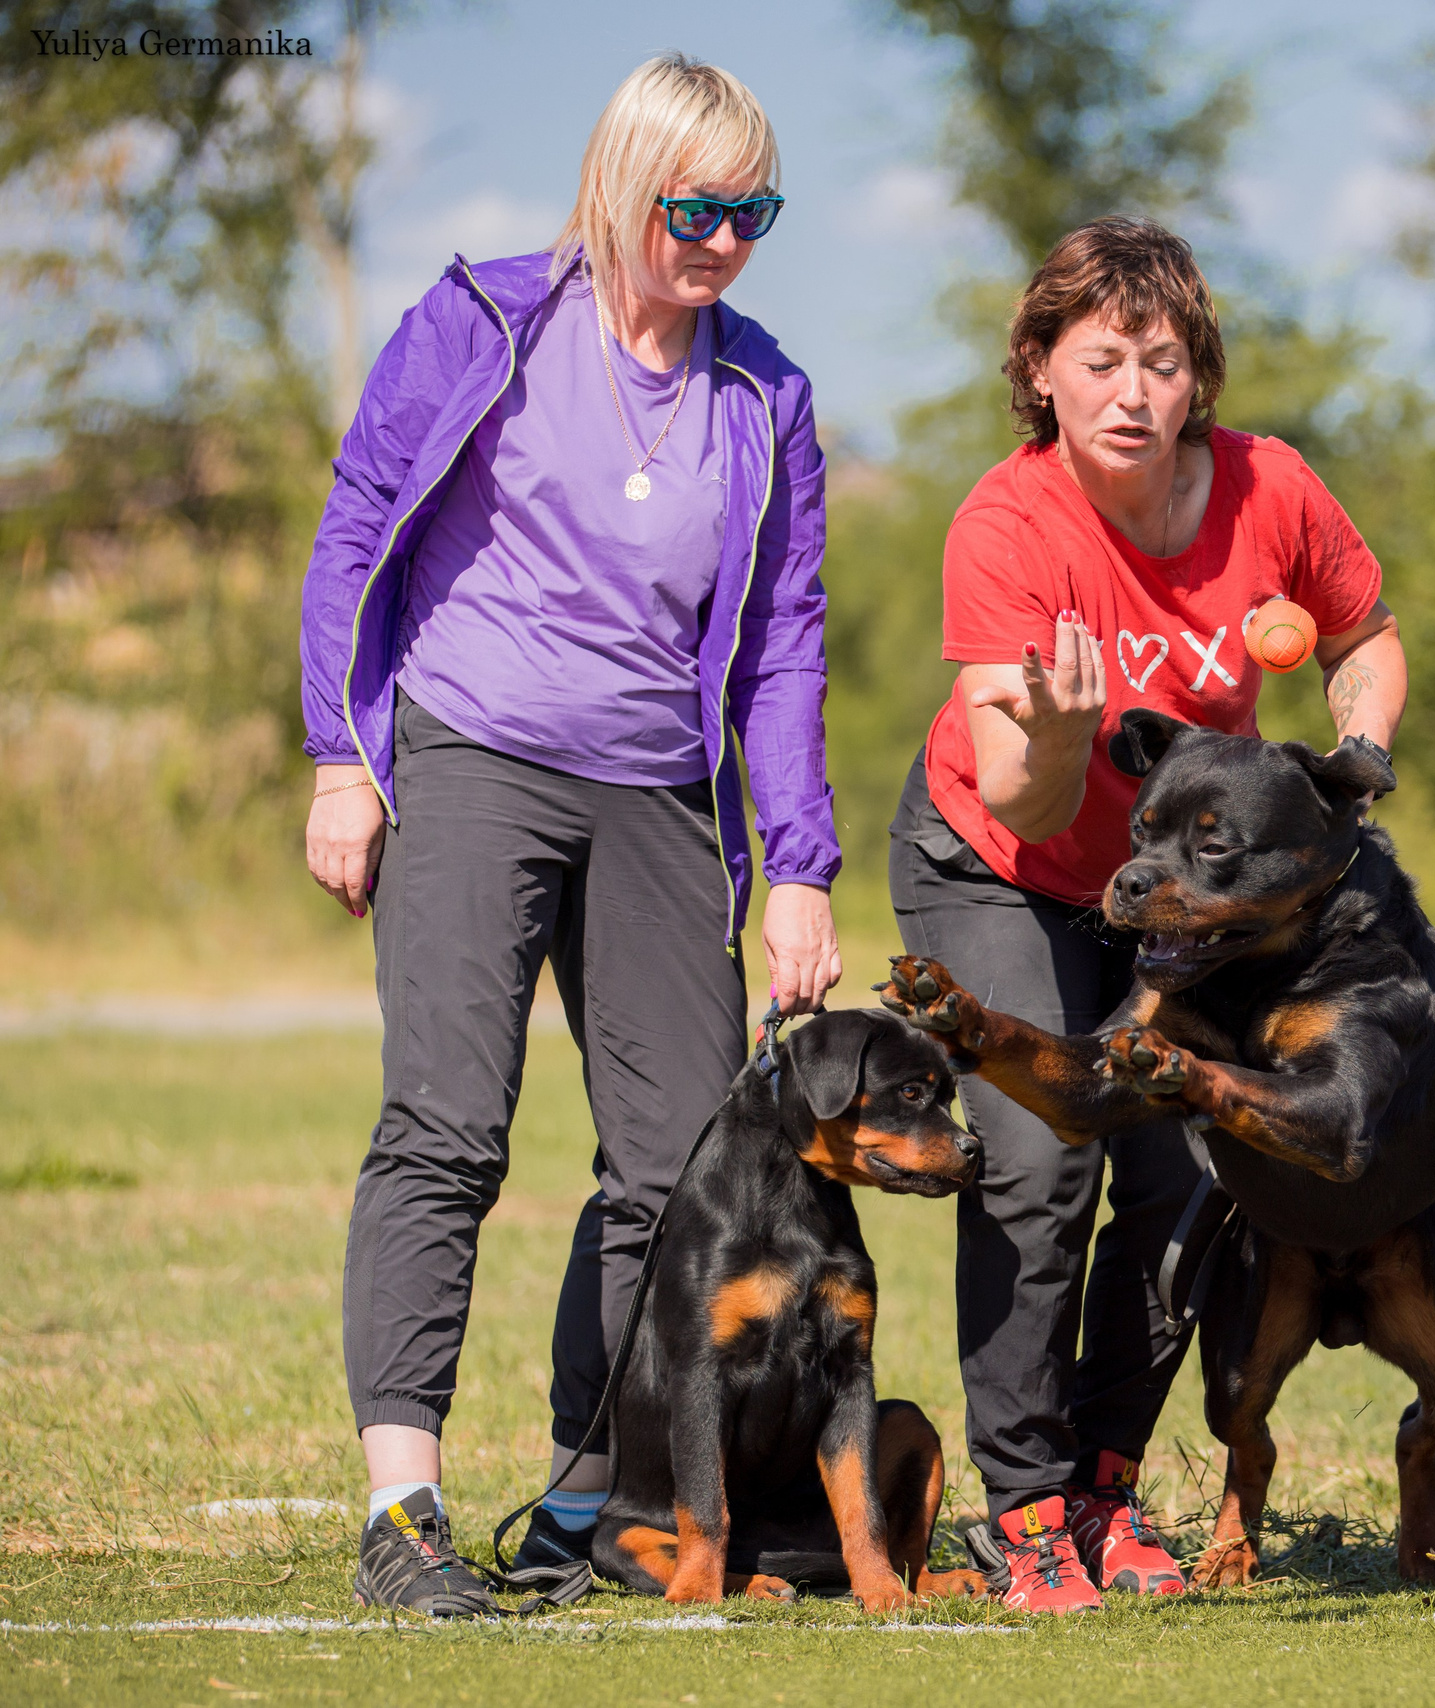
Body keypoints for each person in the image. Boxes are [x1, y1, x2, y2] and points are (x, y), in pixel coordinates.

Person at [298, 55, 837, 1617]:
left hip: (663, 793)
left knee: (680, 1176)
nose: (727, 238)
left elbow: (784, 643)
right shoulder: (480, 325)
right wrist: (345, 756)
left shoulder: (770, 395)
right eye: (699, 205)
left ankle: (587, 1497)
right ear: (623, 184)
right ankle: (402, 1518)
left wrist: (795, 862)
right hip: (475, 754)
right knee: (447, 1131)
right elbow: (355, 532)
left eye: (758, 211)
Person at [889, 216, 1407, 1612]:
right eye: (1101, 359)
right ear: (1042, 369)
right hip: (999, 863)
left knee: (1187, 1176)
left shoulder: (1271, 489)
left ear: (1199, 377)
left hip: (1175, 900)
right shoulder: (1007, 526)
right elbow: (1027, 796)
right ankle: (1023, 1505)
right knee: (1044, 1163)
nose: (1133, 392)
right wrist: (1061, 735)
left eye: (1163, 362)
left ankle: (1109, 1486)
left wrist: (1359, 752)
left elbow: (1365, 637)